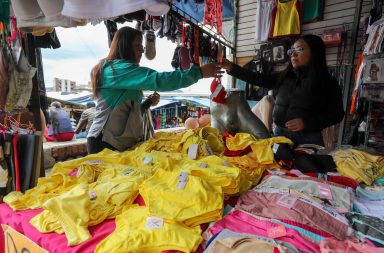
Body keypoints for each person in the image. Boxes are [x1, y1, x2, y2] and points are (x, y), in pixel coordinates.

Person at [87, 26, 218, 154]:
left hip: (115, 142)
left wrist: (147, 104)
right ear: (125, 47)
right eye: (138, 46)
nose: (142, 51)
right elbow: (159, 80)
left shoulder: (120, 71)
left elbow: (128, 113)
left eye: (142, 47)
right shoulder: (116, 70)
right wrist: (199, 72)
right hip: (104, 143)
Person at [220, 34, 344, 146]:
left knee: (305, 171)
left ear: (315, 51)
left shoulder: (327, 82)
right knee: (276, 170)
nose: (293, 55)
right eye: (292, 51)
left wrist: (306, 123)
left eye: (300, 49)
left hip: (307, 139)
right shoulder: (286, 75)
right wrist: (231, 67)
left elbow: (336, 115)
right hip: (279, 134)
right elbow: (259, 79)